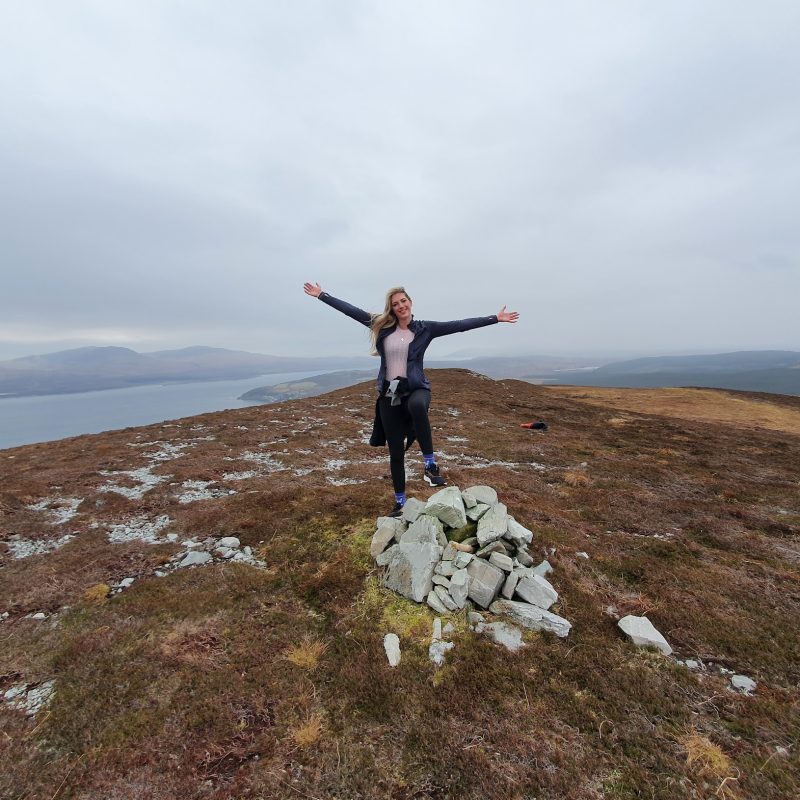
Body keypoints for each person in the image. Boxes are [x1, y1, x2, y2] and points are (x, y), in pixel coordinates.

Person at [303, 283, 519, 516]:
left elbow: (459, 326)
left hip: (416, 389)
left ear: (410, 302)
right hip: (389, 394)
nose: (400, 306)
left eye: (403, 301)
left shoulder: (425, 329)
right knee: (395, 452)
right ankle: (400, 502)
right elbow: (351, 311)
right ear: (392, 308)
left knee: (417, 406)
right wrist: (322, 296)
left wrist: (494, 318)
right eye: (395, 304)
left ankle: (429, 464)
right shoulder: (382, 326)